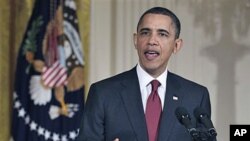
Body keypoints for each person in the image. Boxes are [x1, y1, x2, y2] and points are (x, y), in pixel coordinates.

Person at [77, 7, 214, 141]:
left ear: (176, 45)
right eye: (145, 33)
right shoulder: (103, 93)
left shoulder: (196, 96)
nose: (151, 41)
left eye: (162, 34)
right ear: (136, 40)